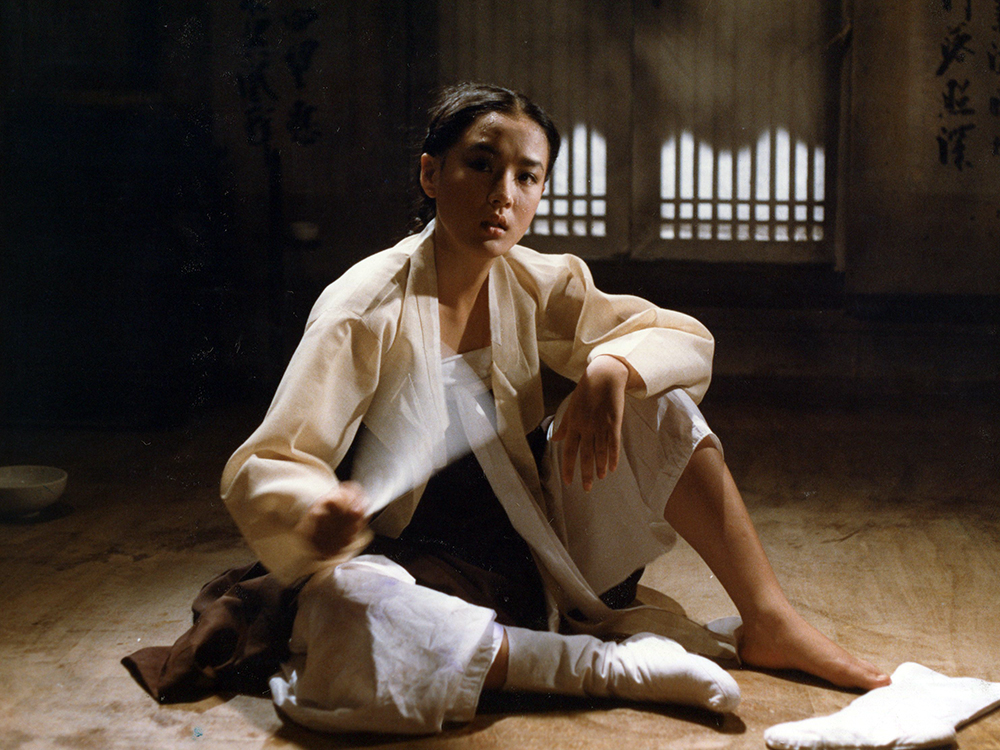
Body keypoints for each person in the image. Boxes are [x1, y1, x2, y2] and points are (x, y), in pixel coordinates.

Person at [220, 82, 890, 734]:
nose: (501, 195)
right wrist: (315, 510)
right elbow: (274, 457)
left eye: (526, 177)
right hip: (416, 566)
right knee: (347, 606)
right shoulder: (364, 305)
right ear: (430, 173)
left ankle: (769, 620)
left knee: (660, 403)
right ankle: (599, 667)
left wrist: (608, 367)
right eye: (480, 164)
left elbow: (683, 337)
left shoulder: (533, 279)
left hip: (535, 547)